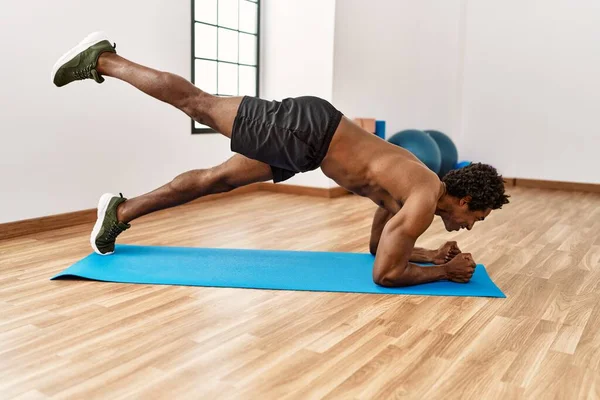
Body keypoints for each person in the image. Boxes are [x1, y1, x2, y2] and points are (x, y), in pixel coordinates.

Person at [52, 32, 509, 287]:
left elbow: (379, 248)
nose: (471, 226)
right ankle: (105, 60)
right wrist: (444, 273)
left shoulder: (415, 190)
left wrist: (429, 256)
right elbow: (385, 273)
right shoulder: (424, 197)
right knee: (199, 104)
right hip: (308, 132)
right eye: (477, 216)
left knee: (215, 180)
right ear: (465, 197)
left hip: (308, 147)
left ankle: (120, 212)